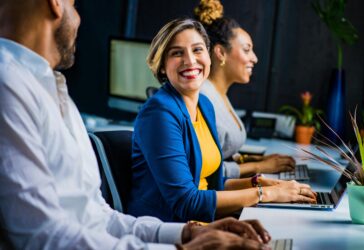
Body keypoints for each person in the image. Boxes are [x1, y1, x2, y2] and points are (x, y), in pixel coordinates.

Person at [0, 0, 272, 249]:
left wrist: (186, 235)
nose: (80, 18)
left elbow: (98, 217)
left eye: (197, 50)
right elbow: (43, 236)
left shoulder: (53, 90)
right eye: (74, 3)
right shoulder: (9, 85)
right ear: (56, 4)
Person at [128, 18, 317, 223]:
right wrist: (266, 194)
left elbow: (213, 185)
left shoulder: (205, 105)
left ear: (209, 57)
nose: (190, 61)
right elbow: (186, 202)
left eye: (197, 50)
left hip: (203, 222)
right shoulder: (159, 113)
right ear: (163, 66)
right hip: (169, 228)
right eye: (177, 53)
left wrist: (263, 184)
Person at [195, 0, 298, 179]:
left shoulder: (219, 94)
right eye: (246, 50)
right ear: (221, 53)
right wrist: (258, 166)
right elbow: (205, 170)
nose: (255, 58)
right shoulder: (203, 98)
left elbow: (221, 152)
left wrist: (252, 159)